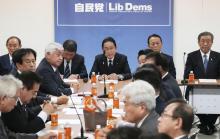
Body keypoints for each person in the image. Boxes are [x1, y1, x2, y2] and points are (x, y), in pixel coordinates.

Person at [184, 31, 220, 135]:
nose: (205, 43)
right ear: (198, 42)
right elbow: (187, 75)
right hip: (196, 89)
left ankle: (208, 125)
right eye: (203, 41)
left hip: (215, 90)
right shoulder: (192, 56)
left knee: (216, 107)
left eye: (208, 41)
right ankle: (206, 125)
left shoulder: (218, 56)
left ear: (212, 42)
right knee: (198, 105)